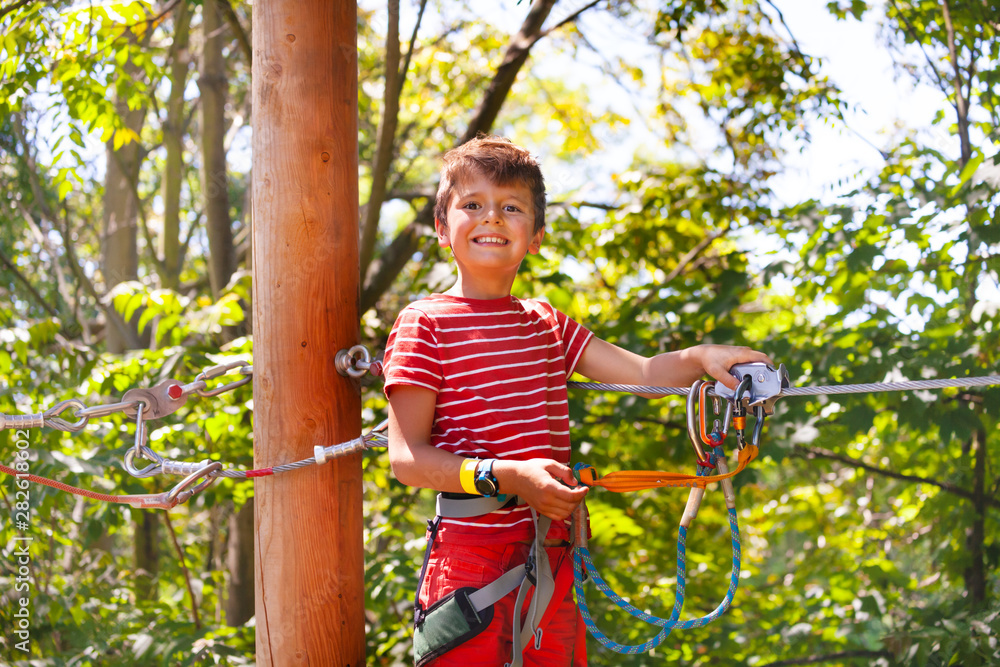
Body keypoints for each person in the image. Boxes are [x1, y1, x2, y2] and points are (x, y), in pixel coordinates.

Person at [383, 135, 771, 667]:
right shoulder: (424, 324)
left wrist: (704, 356)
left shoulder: (547, 324)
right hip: (469, 557)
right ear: (442, 227)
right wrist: (512, 477)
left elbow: (646, 373)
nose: (491, 218)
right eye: (472, 205)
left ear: (536, 234)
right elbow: (408, 460)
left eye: (511, 208)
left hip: (552, 550)